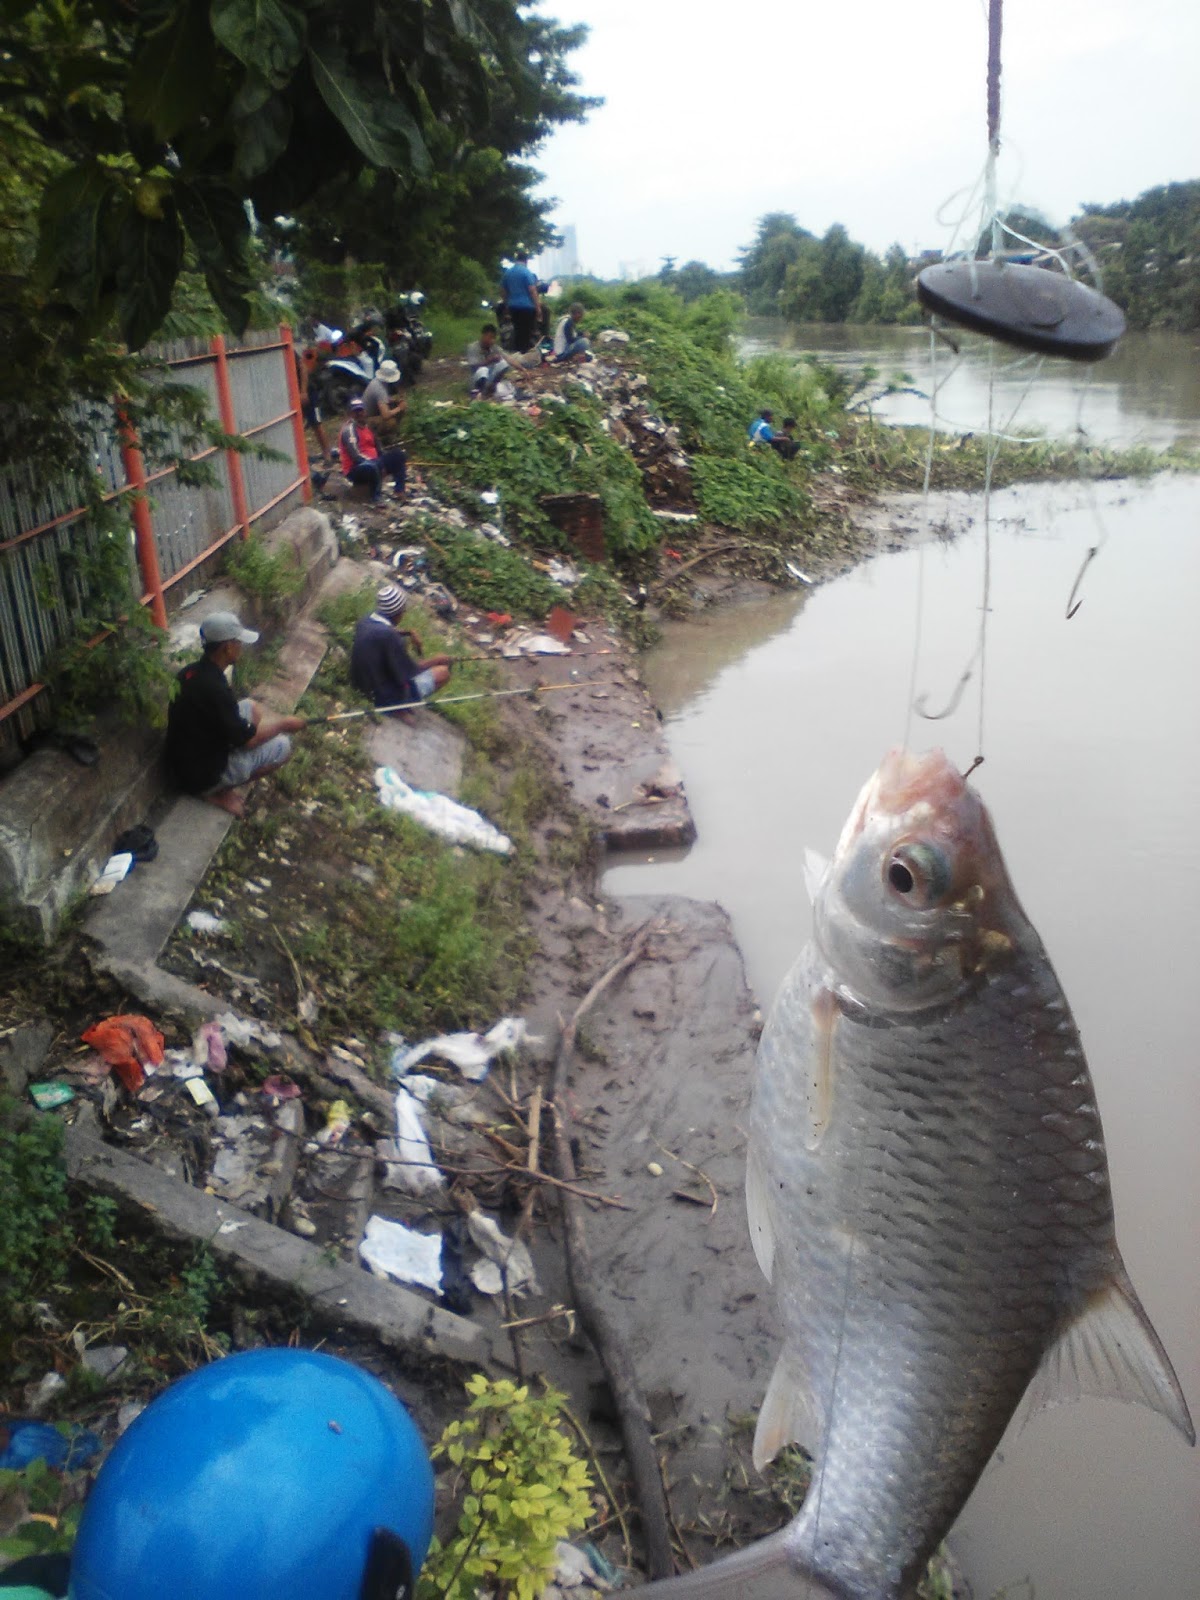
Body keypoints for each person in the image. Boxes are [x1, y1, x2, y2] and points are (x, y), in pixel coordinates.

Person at [164, 613, 305, 818]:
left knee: (251, 707)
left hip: (184, 758)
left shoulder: (191, 672)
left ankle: (221, 782)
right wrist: (283, 724)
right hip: (198, 775)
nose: (241, 647)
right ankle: (217, 791)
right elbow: (247, 741)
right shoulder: (216, 690)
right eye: (238, 642)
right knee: (283, 746)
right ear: (227, 647)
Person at [349, 584, 453, 711]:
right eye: (403, 610)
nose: (404, 613)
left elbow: (385, 630)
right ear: (397, 613)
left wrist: (408, 632)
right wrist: (436, 660)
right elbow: (410, 672)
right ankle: (400, 708)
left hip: (360, 681)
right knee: (443, 673)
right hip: (381, 695)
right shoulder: (391, 638)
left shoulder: (366, 620)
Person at [339, 397, 407, 501]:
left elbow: (379, 448)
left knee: (399, 455)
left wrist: (382, 461)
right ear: (351, 414)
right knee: (372, 466)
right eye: (356, 411)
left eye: (361, 410)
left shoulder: (368, 428)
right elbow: (355, 455)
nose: (359, 414)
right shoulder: (349, 430)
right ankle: (376, 497)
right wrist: (376, 463)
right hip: (356, 468)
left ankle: (399, 491)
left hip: (374, 463)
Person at [500, 252, 541, 353]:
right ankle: (524, 353)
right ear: (526, 260)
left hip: (513, 306)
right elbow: (532, 291)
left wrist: (506, 304)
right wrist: (538, 307)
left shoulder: (508, 273)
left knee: (517, 329)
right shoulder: (527, 273)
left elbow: (503, 291)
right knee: (526, 332)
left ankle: (517, 352)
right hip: (527, 307)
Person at [362, 359, 407, 441]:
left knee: (396, 407)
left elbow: (383, 400)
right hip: (367, 420)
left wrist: (394, 401)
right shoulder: (380, 389)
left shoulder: (378, 382)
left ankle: (393, 434)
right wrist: (400, 408)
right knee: (391, 422)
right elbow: (385, 415)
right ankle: (378, 438)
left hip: (372, 413)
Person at [466, 324, 510, 396]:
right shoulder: (473, 347)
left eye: (493, 338)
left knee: (504, 364)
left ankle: (492, 387)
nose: (492, 340)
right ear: (483, 335)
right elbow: (474, 366)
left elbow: (508, 357)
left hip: (490, 375)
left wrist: (522, 369)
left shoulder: (493, 347)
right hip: (477, 376)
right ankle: (480, 391)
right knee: (483, 370)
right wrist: (490, 360)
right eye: (490, 337)